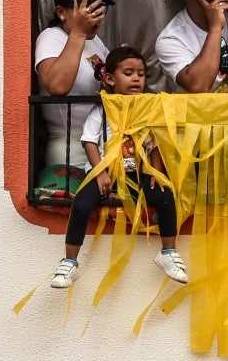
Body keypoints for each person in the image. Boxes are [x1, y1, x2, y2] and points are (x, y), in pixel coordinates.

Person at [50, 46, 188, 288]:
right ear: (111, 79)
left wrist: (155, 172)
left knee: (165, 197)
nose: (136, 79)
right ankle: (69, 262)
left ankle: (168, 253)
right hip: (106, 171)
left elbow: (155, 143)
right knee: (82, 204)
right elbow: (89, 141)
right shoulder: (102, 109)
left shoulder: (147, 109)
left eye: (141, 74)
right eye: (128, 73)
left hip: (137, 172)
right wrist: (100, 173)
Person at [35, 0, 114, 170]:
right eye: (87, 10)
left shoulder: (94, 40)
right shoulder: (51, 37)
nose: (94, 17)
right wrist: (78, 32)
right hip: (70, 147)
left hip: (98, 139)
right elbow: (57, 85)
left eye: (98, 9)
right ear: (61, 13)